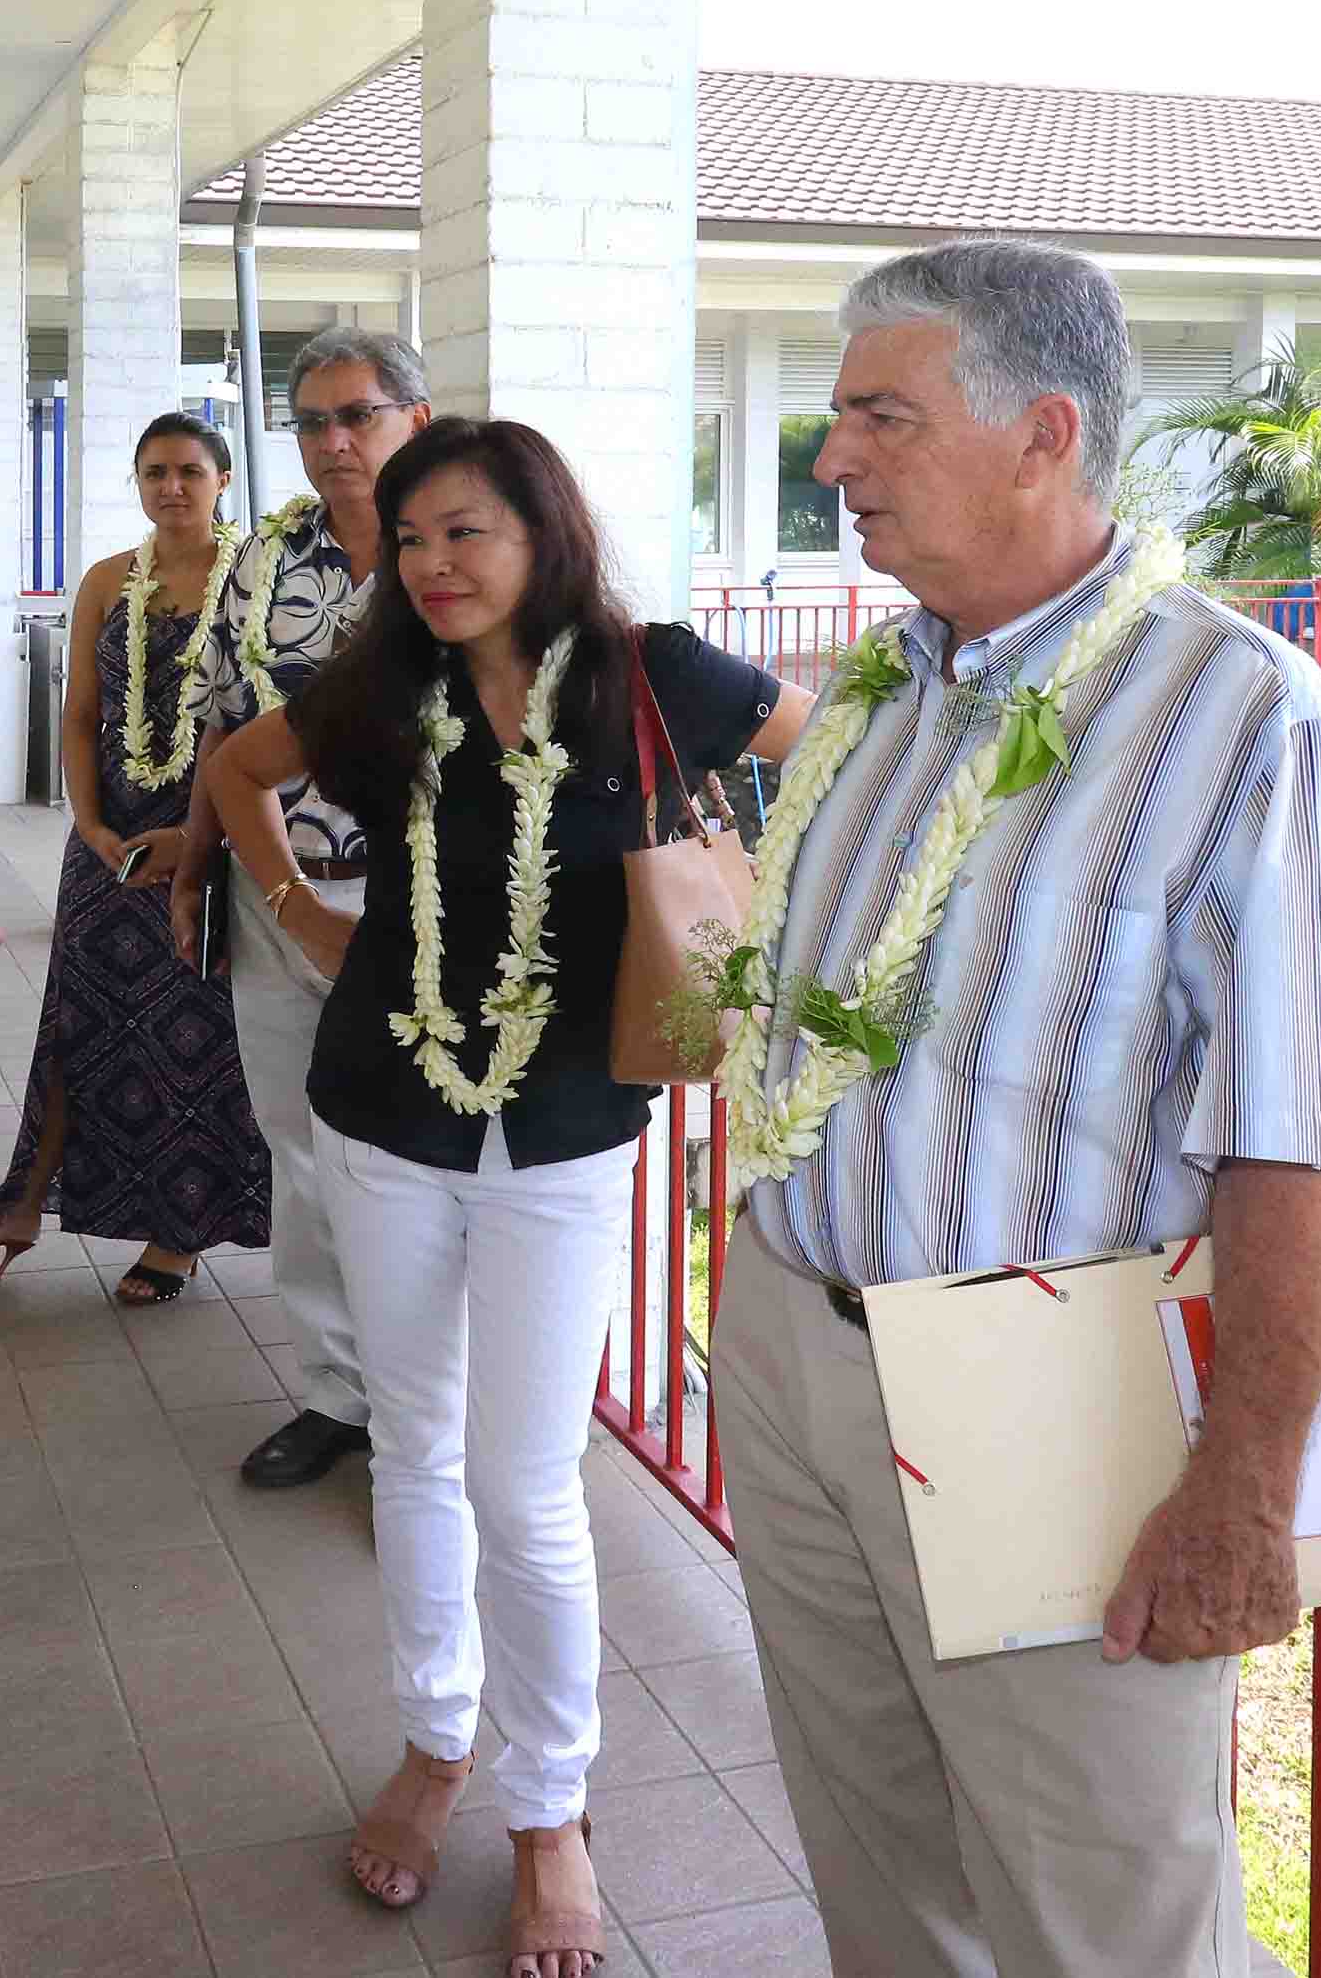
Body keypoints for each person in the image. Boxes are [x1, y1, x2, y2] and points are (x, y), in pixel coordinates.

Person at [712, 238, 1321, 1978]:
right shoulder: (878, 693)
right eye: (836, 414)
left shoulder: (1239, 711)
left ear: (1043, 435)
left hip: (1042, 1378)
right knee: (874, 1856)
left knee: (1103, 1905)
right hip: (794, 1335)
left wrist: (1243, 1483)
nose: (833, 458)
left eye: (880, 414)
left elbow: (1294, 1132)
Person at [204, 418, 814, 1978]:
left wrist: (787, 938)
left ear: (542, 529)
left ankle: (551, 1804)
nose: (434, 565)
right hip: (388, 1107)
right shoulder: (384, 687)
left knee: (527, 1479)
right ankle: (436, 1735)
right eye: (411, 541)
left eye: (464, 531)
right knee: (416, 1446)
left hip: (568, 1120)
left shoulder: (654, 672)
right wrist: (302, 915)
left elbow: (829, 763)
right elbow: (238, 768)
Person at [170, 325, 431, 1489]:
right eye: (312, 421)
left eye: (357, 415)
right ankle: (339, 1395)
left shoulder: (471, 547)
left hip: (444, 906)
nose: (332, 442)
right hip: (279, 890)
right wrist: (193, 872)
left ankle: (433, 1415)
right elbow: (223, 728)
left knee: (428, 1155)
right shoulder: (258, 563)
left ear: (413, 420)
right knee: (305, 1147)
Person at [0, 413, 272, 1304]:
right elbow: (79, 712)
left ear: (222, 479)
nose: (171, 487)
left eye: (190, 470)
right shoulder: (109, 581)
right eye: (154, 472)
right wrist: (93, 823)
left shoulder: (258, 579)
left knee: (196, 1037)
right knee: (84, 1017)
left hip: (214, 831)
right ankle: (28, 1196)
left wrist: (202, 835)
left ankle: (176, 1234)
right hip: (110, 834)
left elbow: (264, 721)